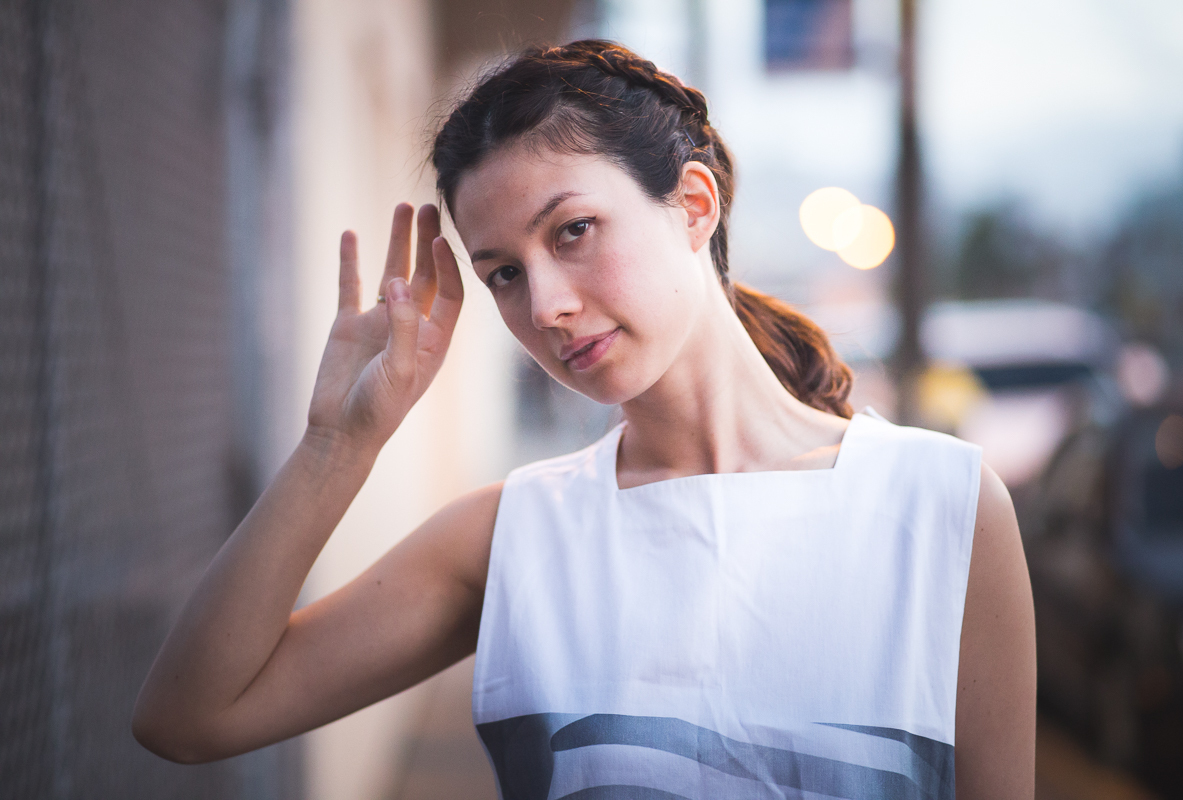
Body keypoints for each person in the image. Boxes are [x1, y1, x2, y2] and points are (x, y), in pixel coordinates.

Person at [133, 40, 1036, 799]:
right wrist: (340, 440)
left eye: (571, 231)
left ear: (693, 205)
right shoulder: (513, 535)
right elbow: (189, 716)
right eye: (504, 274)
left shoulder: (943, 507)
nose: (547, 305)